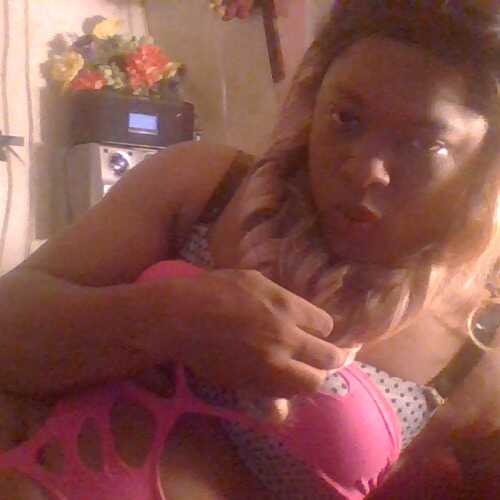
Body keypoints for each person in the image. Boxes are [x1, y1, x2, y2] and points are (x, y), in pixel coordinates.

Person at [0, 1, 499, 498]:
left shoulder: (474, 357)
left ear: (485, 166)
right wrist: (166, 319)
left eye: (422, 144)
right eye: (346, 118)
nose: (366, 169)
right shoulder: (204, 188)